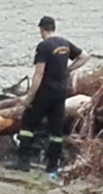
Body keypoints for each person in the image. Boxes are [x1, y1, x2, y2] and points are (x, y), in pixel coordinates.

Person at [6, 16, 89, 176]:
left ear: (42, 29)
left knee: (28, 123)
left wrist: (30, 97)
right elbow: (85, 56)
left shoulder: (43, 46)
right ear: (53, 28)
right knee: (56, 129)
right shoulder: (64, 43)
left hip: (45, 91)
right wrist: (69, 69)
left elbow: (39, 73)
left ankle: (23, 161)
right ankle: (52, 165)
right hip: (61, 92)